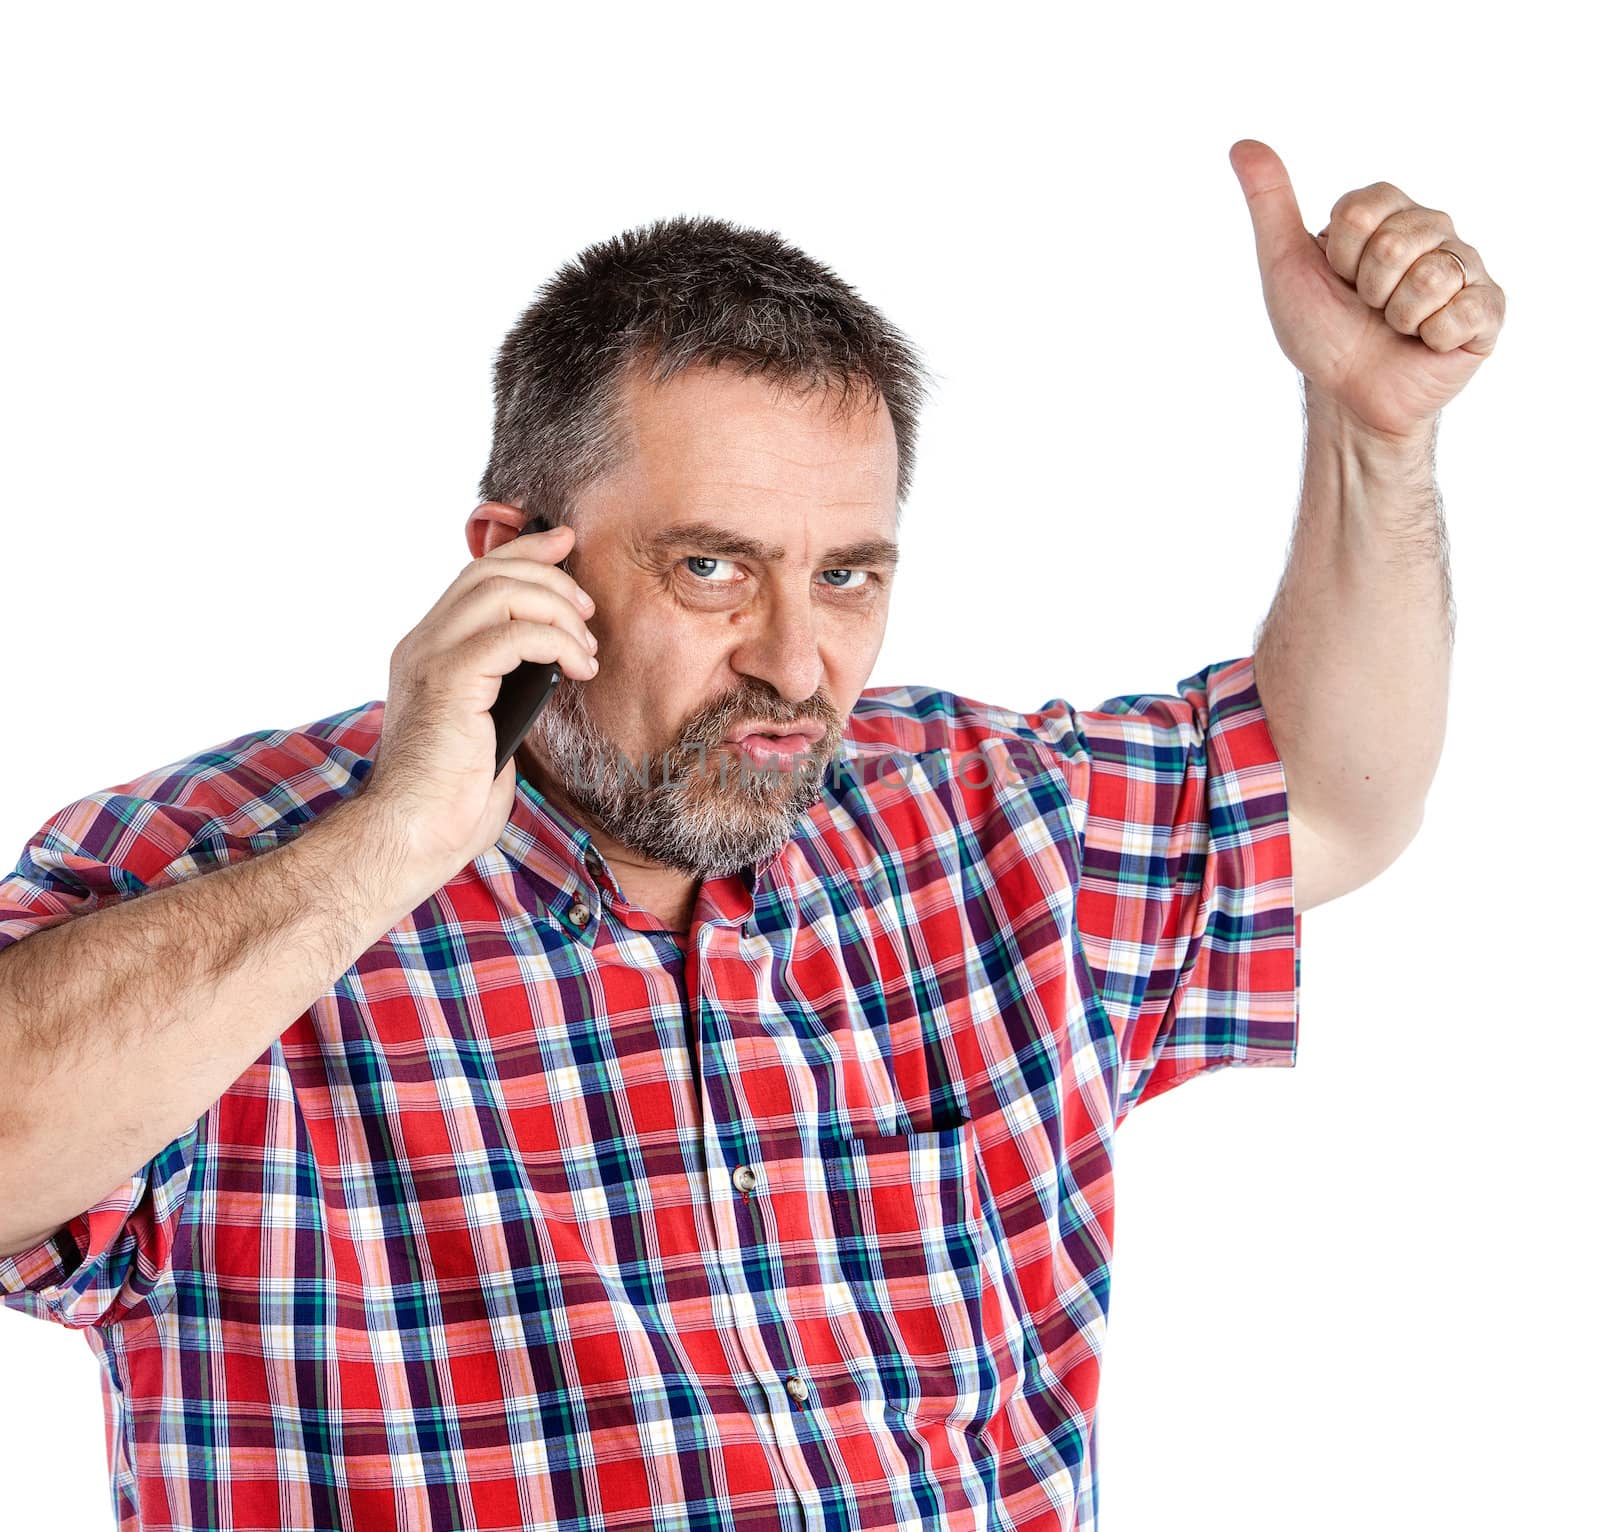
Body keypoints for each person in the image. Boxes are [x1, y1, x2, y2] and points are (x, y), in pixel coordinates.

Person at [0, 141, 1496, 1532]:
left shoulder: (973, 819)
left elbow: (1329, 801)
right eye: (713, 568)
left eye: (847, 576)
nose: (795, 663)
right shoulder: (211, 869)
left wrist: (1373, 435)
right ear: (513, 559)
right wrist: (390, 845)